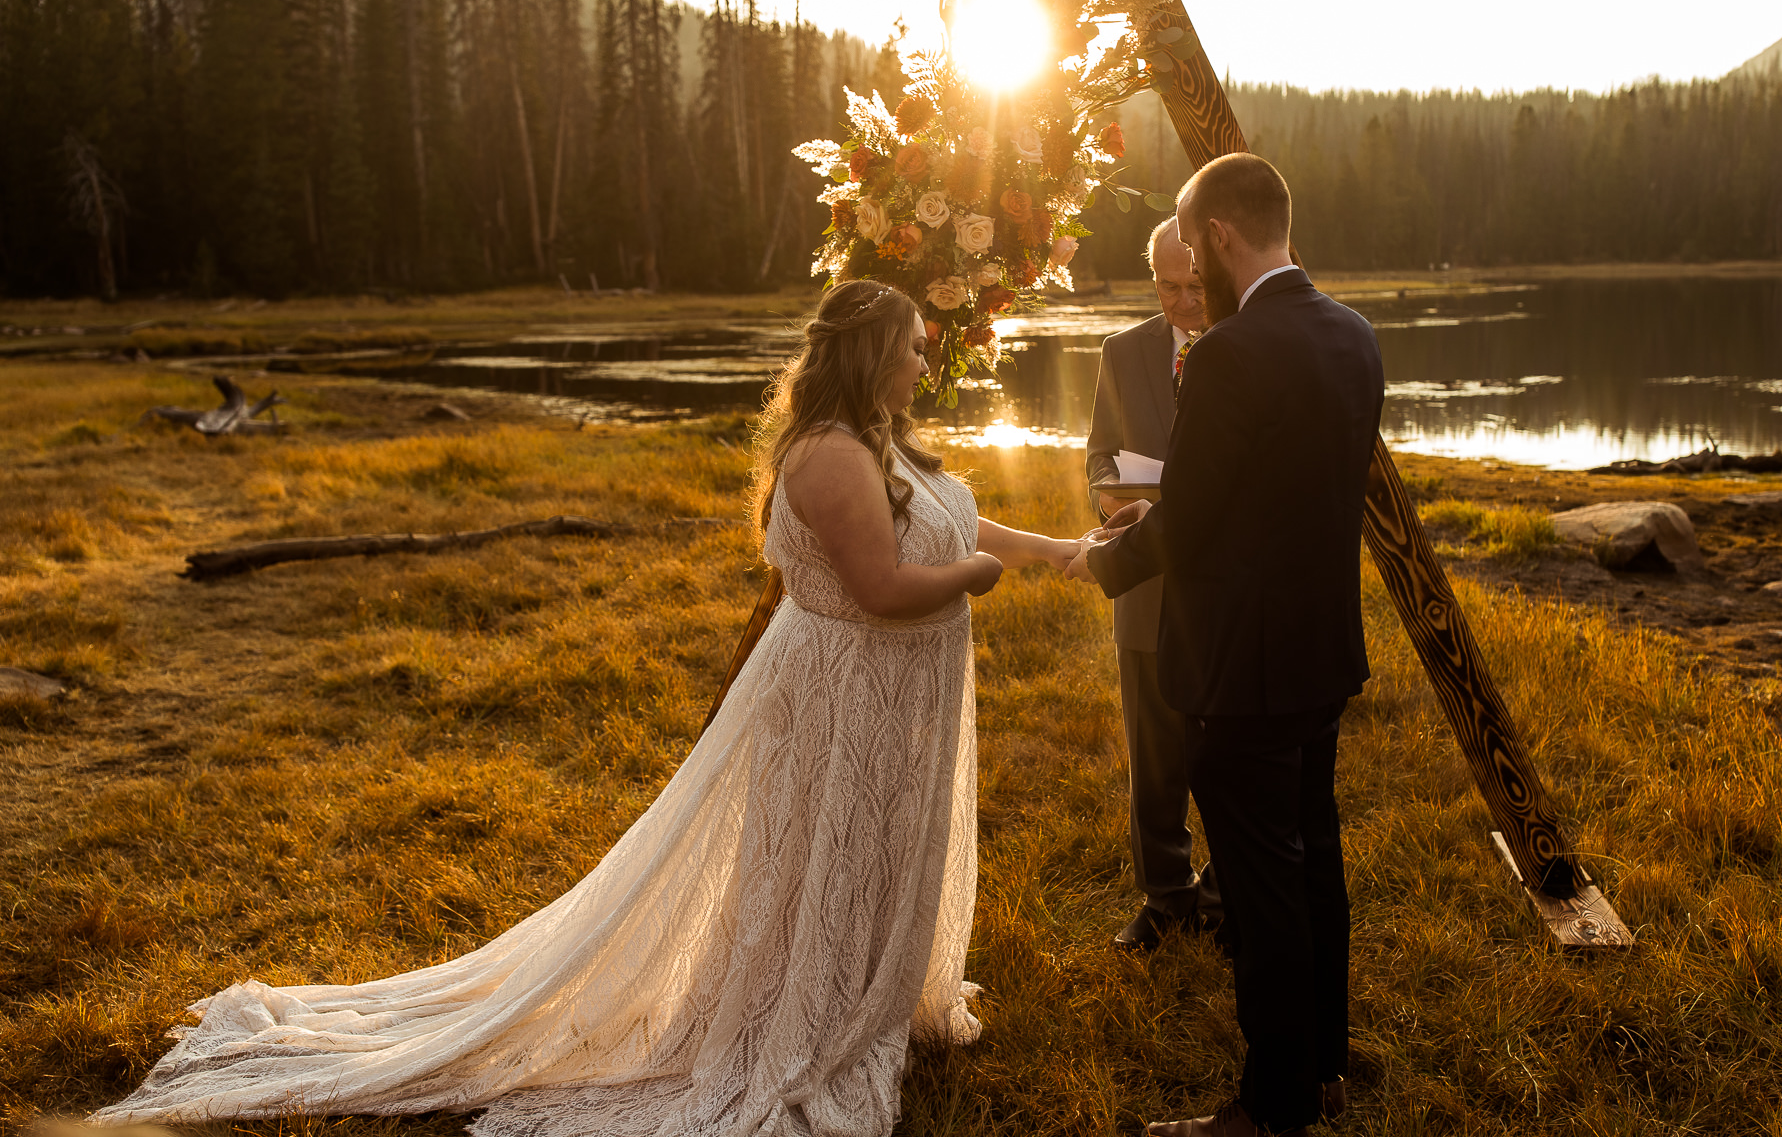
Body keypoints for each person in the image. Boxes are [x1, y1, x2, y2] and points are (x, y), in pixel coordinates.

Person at [92, 280, 1088, 1137]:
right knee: (815, 854)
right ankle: (798, 1009)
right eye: (913, 346)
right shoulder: (829, 453)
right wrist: (980, 574)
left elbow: (941, 511)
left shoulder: (882, 439)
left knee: (862, 847)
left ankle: (856, 985)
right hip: (836, 697)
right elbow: (882, 584)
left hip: (881, 699)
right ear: (873, 351)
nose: (924, 361)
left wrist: (1056, 548)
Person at [1068, 154, 1385, 1137]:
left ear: (1217, 239)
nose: (1188, 278)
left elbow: (1194, 519)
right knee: (1314, 858)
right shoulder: (1353, 334)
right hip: (1321, 652)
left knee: (1261, 890)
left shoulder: (1228, 354)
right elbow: (1286, 498)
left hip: (1241, 673)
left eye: (1189, 247)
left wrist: (1102, 558)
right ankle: (1323, 1060)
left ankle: (1271, 1103)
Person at [1084, 217, 1223, 951]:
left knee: (1227, 754)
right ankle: (1165, 898)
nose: (1183, 303)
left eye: (1196, 288)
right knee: (1154, 757)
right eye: (1168, 288)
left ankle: (1227, 894)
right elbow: (1099, 458)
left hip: (1227, 594)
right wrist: (1105, 501)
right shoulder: (1122, 351)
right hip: (1145, 588)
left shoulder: (1248, 348)